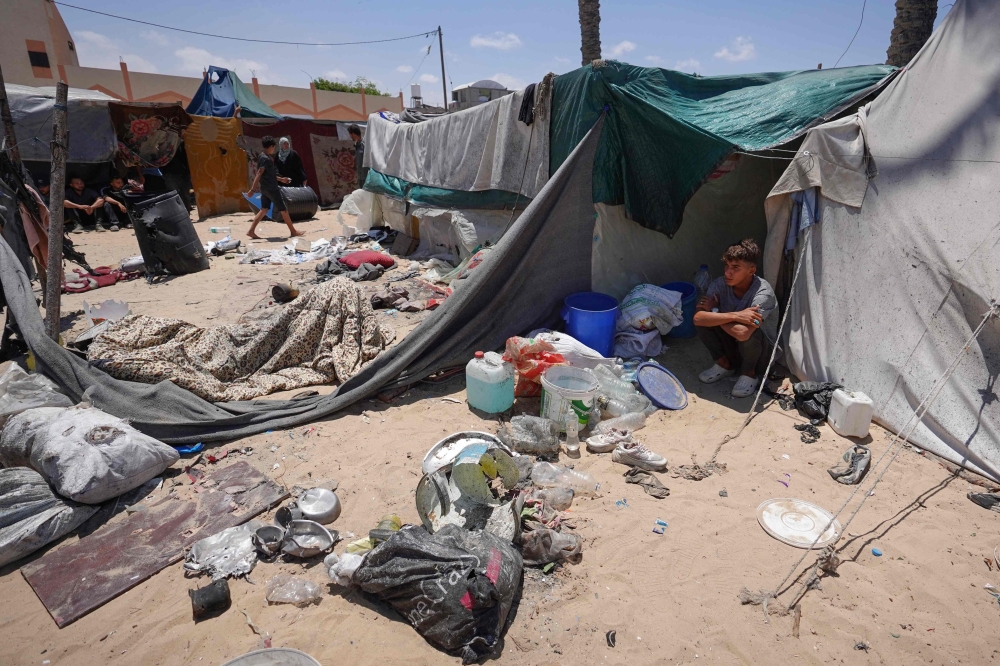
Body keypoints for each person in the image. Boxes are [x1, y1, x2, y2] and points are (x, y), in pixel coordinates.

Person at [692, 238, 778, 398]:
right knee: (704, 322)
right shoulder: (719, 284)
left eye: (735, 267)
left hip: (760, 354)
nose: (727, 272)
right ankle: (725, 364)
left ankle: (749, 373)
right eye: (727, 265)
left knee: (750, 332)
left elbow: (743, 333)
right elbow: (698, 318)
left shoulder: (763, 293)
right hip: (732, 342)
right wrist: (735, 315)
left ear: (751, 270)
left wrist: (714, 314)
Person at [245, 135, 304, 240]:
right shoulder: (265, 159)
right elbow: (259, 173)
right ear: (270, 146)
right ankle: (293, 231)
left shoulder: (262, 156)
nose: (274, 149)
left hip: (265, 188)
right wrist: (253, 189)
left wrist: (281, 179)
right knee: (283, 209)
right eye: (273, 147)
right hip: (272, 189)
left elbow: (269, 174)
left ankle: (251, 231)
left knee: (264, 209)